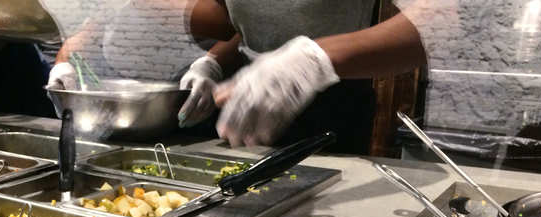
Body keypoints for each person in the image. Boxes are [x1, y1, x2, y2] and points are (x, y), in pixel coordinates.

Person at [179, 0, 427, 152]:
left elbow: (445, 22)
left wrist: (311, 61)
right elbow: (257, 27)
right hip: (245, 99)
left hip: (331, 108)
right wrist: (212, 63)